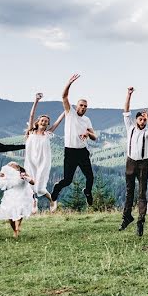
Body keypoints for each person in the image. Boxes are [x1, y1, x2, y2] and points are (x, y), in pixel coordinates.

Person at [51, 74, 97, 206]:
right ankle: (57, 188)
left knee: (90, 177)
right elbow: (64, 97)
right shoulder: (70, 113)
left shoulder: (87, 120)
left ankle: (87, 192)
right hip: (70, 151)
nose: (83, 107)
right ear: (77, 106)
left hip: (82, 151)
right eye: (81, 105)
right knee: (67, 180)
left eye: (85, 106)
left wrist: (88, 133)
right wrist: (69, 83)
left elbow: (95, 137)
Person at [120, 87, 148, 236]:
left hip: (143, 164)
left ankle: (141, 221)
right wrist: (129, 94)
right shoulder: (130, 128)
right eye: (140, 119)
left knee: (141, 193)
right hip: (130, 162)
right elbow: (126, 111)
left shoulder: (147, 132)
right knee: (129, 192)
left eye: (144, 120)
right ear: (136, 120)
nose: (142, 122)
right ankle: (126, 217)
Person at [24, 93, 64, 214]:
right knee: (29, 183)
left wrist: (66, 110)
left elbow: (58, 122)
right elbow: (31, 115)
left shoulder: (48, 134)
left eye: (46, 121)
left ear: (47, 124)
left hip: (43, 161)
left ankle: (52, 200)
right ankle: (34, 202)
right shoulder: (31, 131)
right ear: (38, 122)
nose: (44, 122)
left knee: (40, 186)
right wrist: (36, 100)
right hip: (31, 160)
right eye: (42, 120)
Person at [0, 162, 36, 238]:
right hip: (10, 195)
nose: (11, 167)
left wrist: (25, 178)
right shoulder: (6, 173)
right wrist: (0, 176)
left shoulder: (23, 173)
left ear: (17, 167)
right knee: (10, 213)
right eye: (10, 166)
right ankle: (15, 230)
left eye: (13, 166)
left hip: (22, 194)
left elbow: (33, 182)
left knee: (20, 210)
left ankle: (18, 226)